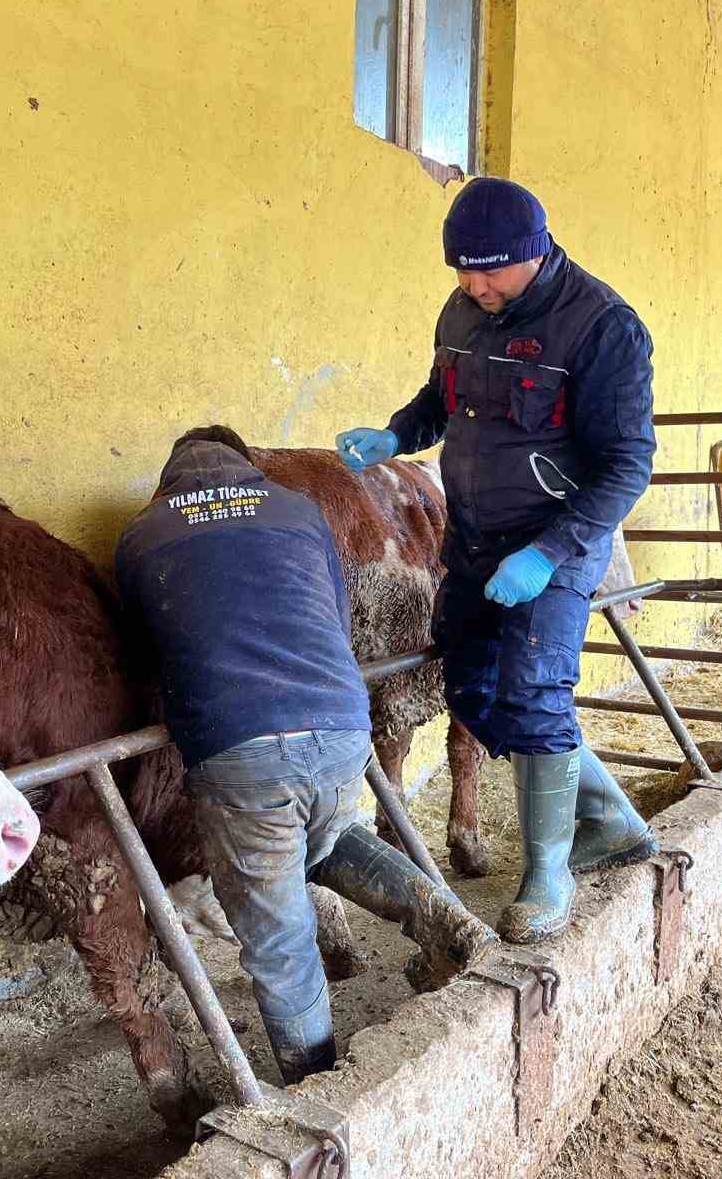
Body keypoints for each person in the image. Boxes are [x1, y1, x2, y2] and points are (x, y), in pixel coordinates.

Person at [115, 426, 497, 1085]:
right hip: (340, 723)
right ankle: (439, 915)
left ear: (171, 478)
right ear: (248, 467)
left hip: (243, 748)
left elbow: (149, 645)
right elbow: (328, 605)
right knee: (329, 840)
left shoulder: (141, 537)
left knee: (277, 937)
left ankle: (315, 1078)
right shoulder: (297, 511)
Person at [335, 177, 658, 944]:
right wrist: (396, 435)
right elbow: (440, 399)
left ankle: (549, 874)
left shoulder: (603, 326)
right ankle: (608, 817)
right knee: (472, 689)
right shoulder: (463, 310)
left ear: (536, 253)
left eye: (490, 271)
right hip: (474, 538)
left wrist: (548, 555)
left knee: (537, 693)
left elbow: (628, 465)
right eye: (461, 270)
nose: (474, 285)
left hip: (558, 541)